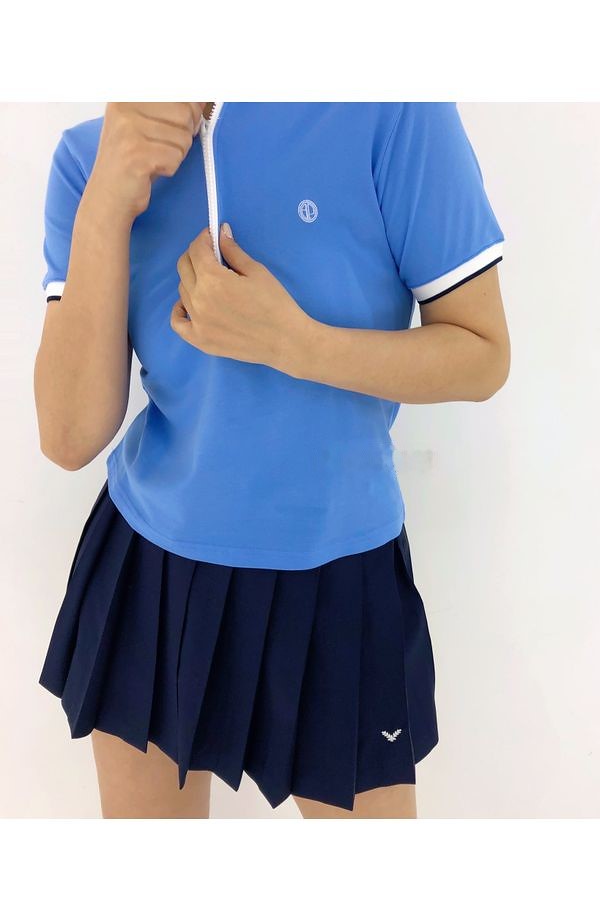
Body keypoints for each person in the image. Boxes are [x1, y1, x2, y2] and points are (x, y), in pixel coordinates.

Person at [34, 101, 510, 819]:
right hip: (151, 571)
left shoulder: (393, 109)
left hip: (340, 570)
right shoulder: (92, 156)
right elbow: (68, 436)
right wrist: (106, 203)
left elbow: (482, 354)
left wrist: (293, 343)